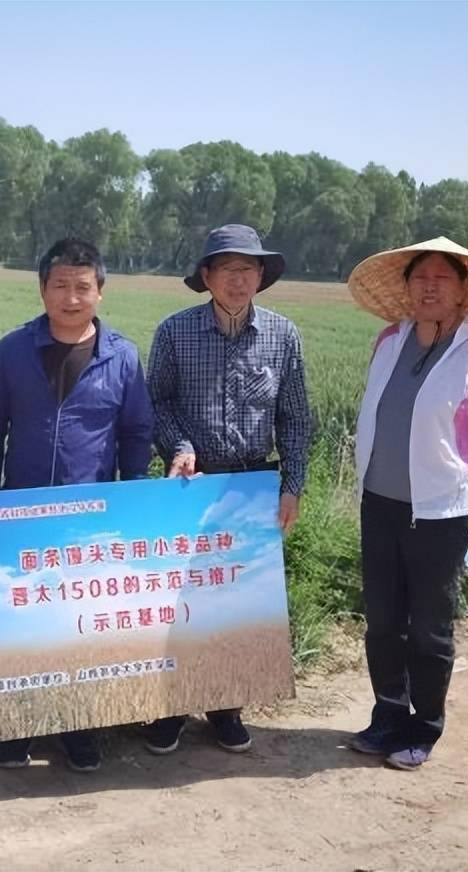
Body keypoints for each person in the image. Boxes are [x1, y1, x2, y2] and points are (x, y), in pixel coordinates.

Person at [0, 237, 153, 772]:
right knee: (21, 624)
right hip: (20, 512)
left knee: (82, 625)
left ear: (100, 290)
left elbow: (137, 430)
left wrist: (130, 495)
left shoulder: (121, 356)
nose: (71, 298)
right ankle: (16, 727)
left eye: (82, 286)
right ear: (43, 289)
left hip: (90, 519)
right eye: (60, 286)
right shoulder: (13, 349)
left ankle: (79, 728)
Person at [347, 236, 468, 770]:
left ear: (463, 288)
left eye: (441, 278)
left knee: (429, 625)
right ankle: (387, 715)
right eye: (419, 277)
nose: (428, 286)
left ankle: (424, 726)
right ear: (406, 287)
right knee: (381, 619)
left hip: (441, 514)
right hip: (378, 503)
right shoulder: (389, 339)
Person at [144, 223, 312, 755]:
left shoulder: (283, 336)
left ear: (261, 276)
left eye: (249, 270)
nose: (239, 281)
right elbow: (158, 405)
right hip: (192, 484)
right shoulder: (175, 333)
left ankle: (225, 707)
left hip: (251, 486)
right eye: (228, 270)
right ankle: (170, 709)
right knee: (181, 603)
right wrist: (179, 445)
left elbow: (296, 418)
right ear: (207, 276)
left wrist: (292, 483)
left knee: (235, 603)